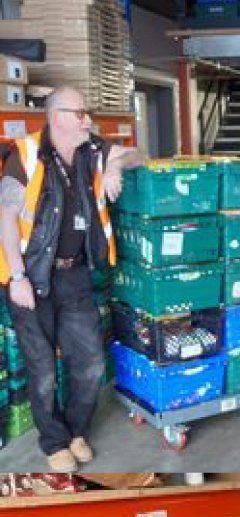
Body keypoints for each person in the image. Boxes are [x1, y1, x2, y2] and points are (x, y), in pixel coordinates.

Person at [0, 87, 144, 471]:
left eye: (87, 111)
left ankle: (76, 430)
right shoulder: (26, 154)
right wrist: (16, 277)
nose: (87, 119)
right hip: (30, 277)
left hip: (75, 274)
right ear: (56, 116)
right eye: (80, 112)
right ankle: (54, 441)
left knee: (92, 362)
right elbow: (6, 218)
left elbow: (137, 154)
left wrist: (114, 166)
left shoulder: (91, 148)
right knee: (43, 368)